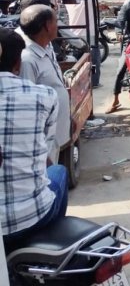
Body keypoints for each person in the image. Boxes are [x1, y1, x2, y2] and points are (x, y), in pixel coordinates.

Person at [0, 30, 67, 245]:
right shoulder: (44, 96)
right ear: (18, 63)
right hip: (30, 216)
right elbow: (44, 138)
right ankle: (53, 239)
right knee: (58, 171)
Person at [17, 4, 70, 163]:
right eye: (56, 21)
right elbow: (27, 108)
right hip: (43, 143)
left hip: (56, 134)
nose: (58, 25)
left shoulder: (46, 48)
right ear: (47, 26)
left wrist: (67, 117)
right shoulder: (28, 60)